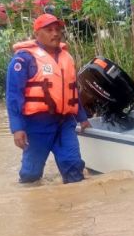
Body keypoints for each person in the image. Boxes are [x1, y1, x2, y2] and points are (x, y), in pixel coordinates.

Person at [5, 13, 90, 184]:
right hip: (37, 125)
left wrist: (82, 118)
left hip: (65, 123)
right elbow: (14, 95)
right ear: (37, 34)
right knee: (31, 175)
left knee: (74, 168)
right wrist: (17, 128)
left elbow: (71, 90)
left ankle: (74, 207)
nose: (56, 34)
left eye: (58, 30)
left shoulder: (67, 57)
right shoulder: (23, 59)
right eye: (49, 30)